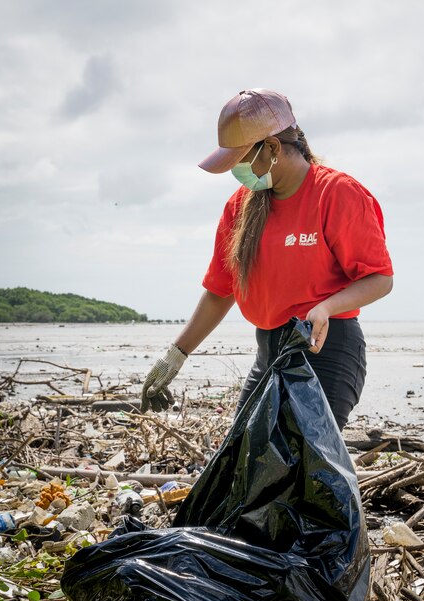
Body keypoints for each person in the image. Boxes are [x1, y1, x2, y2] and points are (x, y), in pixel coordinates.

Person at [141, 89, 393, 430]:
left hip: (324, 352)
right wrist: (175, 356)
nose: (236, 171)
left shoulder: (336, 193)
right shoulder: (240, 206)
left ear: (272, 148)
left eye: (241, 160)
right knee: (243, 457)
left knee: (306, 467)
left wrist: (326, 308)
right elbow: (220, 290)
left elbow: (379, 277)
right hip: (269, 351)